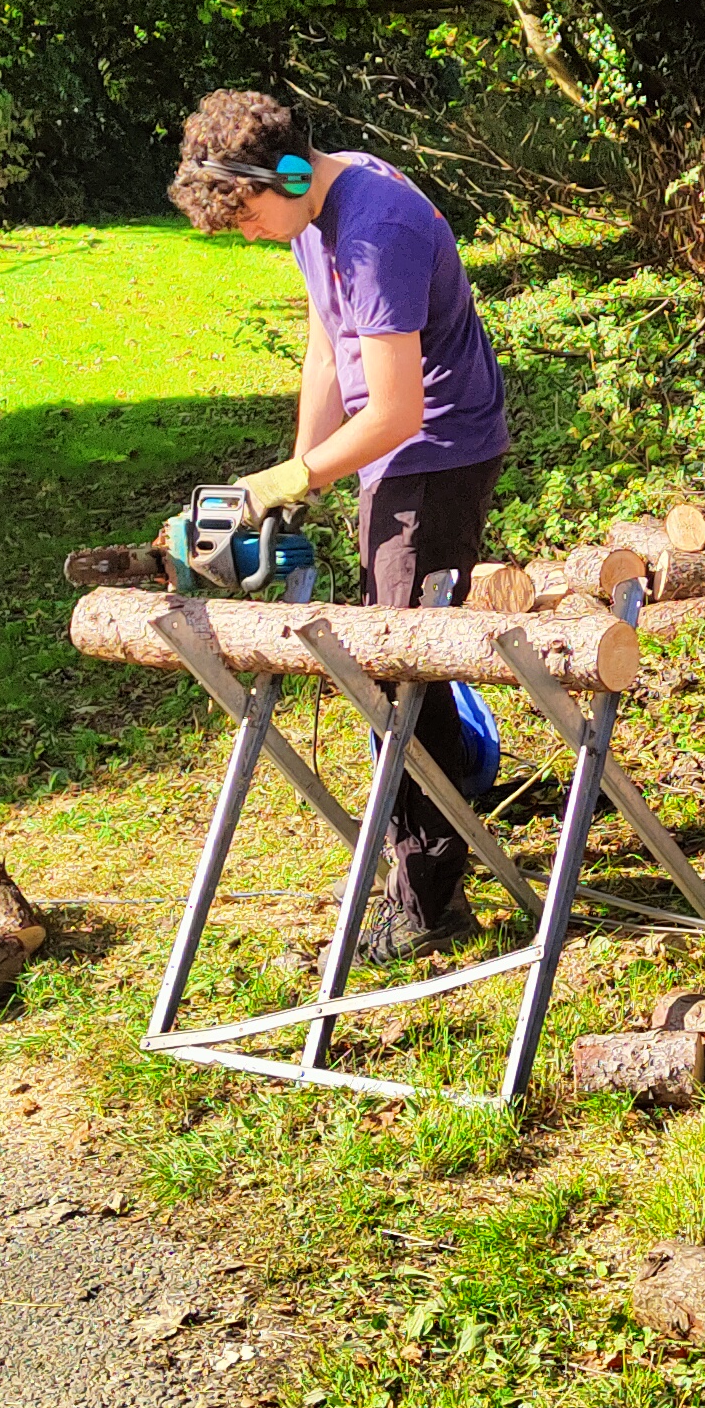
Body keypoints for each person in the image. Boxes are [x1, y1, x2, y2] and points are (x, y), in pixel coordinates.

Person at [168, 90, 508, 960]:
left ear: (283, 174)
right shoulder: (317, 209)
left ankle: (428, 906)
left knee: (398, 677)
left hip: (432, 455)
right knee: (389, 660)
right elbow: (330, 344)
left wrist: (300, 473)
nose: (245, 232)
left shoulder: (373, 229)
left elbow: (395, 411)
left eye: (246, 215)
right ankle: (461, 787)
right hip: (392, 456)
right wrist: (298, 470)